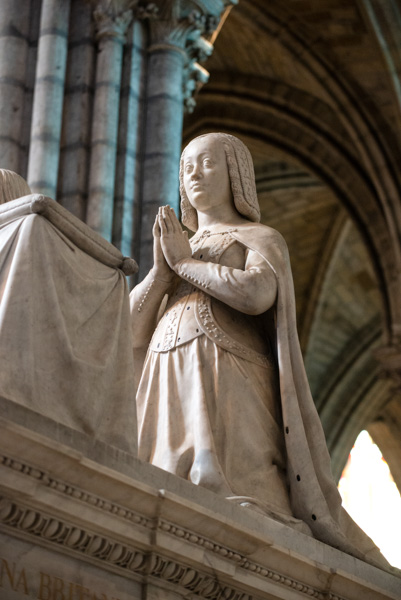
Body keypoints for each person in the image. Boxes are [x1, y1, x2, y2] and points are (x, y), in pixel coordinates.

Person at [130, 133, 389, 569]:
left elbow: (256, 293)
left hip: (227, 369)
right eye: (187, 165)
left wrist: (186, 266)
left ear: (236, 172)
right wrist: (161, 271)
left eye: (208, 163)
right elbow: (129, 329)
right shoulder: (176, 249)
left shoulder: (258, 237)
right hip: (165, 369)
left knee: (236, 480)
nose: (194, 173)